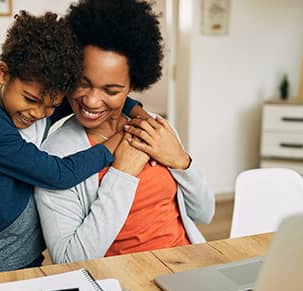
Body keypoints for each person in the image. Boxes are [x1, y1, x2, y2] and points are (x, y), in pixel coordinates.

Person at [0, 10, 147, 278]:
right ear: (3, 73)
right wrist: (117, 142)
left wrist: (138, 113)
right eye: (30, 99)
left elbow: (89, 101)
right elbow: (58, 174)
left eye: (51, 106)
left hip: (28, 258)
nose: (38, 113)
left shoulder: (43, 99)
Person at [35, 0, 215, 264]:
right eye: (82, 83)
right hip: (125, 284)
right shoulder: (56, 156)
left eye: (111, 90)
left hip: (190, 265)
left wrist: (181, 162)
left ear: (133, 86)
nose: (92, 101)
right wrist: (122, 173)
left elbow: (205, 213)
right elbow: (67, 259)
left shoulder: (155, 129)